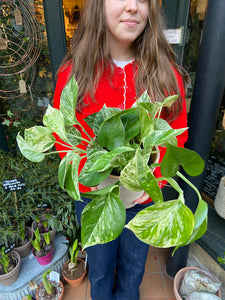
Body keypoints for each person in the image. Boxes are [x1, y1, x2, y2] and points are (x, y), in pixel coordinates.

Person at [53, 1, 189, 299]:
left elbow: (175, 134)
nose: (132, 7)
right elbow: (63, 135)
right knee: (100, 269)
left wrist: (156, 180)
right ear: (97, 7)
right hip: (95, 197)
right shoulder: (75, 73)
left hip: (141, 197)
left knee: (133, 267)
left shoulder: (165, 75)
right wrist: (88, 178)